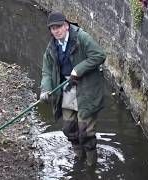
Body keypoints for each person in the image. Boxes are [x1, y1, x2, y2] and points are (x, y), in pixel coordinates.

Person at [39, 11, 106, 166]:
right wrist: (45, 90)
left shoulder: (81, 38)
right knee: (69, 130)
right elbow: (47, 72)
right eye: (53, 28)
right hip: (67, 89)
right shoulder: (52, 47)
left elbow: (99, 56)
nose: (56, 31)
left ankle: (91, 166)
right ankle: (79, 159)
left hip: (87, 89)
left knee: (86, 133)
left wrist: (78, 69)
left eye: (59, 27)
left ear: (66, 26)